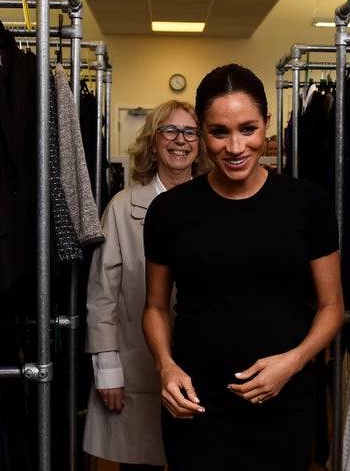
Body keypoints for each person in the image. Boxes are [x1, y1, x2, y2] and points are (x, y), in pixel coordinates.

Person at [141, 64, 345, 470]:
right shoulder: (169, 211)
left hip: (284, 401)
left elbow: (331, 308)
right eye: (219, 132)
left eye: (248, 130)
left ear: (267, 125)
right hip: (196, 405)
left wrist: (294, 361)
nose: (235, 147)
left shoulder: (308, 203)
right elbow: (155, 307)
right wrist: (166, 367)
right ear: (201, 131)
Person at [83, 100, 211, 471]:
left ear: (200, 144)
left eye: (190, 132)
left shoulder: (215, 205)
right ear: (153, 143)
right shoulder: (123, 207)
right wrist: (107, 371)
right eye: (169, 131)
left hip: (202, 366)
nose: (180, 140)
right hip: (138, 370)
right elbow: (102, 295)